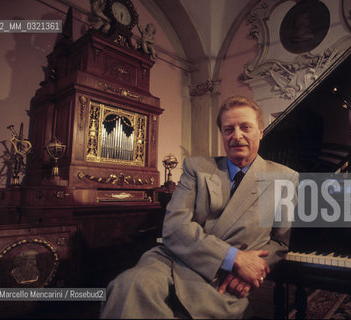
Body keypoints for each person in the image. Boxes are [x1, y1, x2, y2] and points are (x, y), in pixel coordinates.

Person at [100, 95, 297, 319]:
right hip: (174, 259)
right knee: (127, 285)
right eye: (228, 129)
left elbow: (280, 242)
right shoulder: (197, 167)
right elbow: (174, 227)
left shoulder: (285, 178)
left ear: (261, 131)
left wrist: (251, 270)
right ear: (222, 134)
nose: (237, 136)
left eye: (245, 127)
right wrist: (234, 257)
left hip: (221, 277)